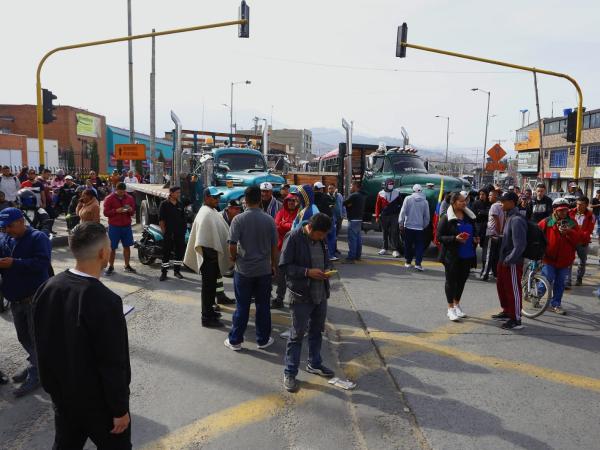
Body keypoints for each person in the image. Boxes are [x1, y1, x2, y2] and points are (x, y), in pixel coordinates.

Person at [33, 222, 131, 449]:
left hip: (63, 399)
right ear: (102, 252)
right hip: (100, 405)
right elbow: (113, 364)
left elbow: (42, 345)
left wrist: (55, 393)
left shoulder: (47, 288)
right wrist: (119, 410)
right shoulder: (106, 301)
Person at [280, 213, 335, 392]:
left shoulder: (321, 239)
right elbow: (285, 266)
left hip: (320, 294)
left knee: (316, 331)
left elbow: (325, 259)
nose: (323, 238)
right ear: (310, 228)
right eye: (321, 234)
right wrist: (306, 272)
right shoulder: (294, 237)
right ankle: (290, 372)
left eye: (325, 235)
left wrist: (327, 270)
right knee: (297, 335)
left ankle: (314, 363)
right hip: (301, 295)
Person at [0, 207, 51, 397]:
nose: (7, 230)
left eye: (10, 226)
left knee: (37, 338)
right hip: (15, 300)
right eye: (3, 227)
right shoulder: (5, 238)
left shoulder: (38, 238)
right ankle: (36, 364)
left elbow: (42, 264)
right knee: (24, 337)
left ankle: (37, 374)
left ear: (21, 221)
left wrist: (14, 263)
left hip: (34, 299)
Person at [224, 186, 278, 351]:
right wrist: (273, 265)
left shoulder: (238, 220)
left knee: (242, 306)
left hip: (244, 270)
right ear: (260, 199)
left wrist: (234, 258)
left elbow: (232, 244)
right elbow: (274, 247)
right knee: (263, 306)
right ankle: (262, 340)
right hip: (263, 270)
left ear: (245, 201)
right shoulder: (269, 220)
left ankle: (235, 341)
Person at [184, 187, 231, 327]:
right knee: (208, 289)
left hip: (212, 259)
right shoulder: (205, 214)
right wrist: (213, 258)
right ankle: (206, 317)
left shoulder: (212, 211)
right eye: (214, 197)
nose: (217, 199)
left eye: (218, 197)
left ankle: (210, 311)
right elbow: (204, 241)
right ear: (206, 198)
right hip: (208, 260)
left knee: (211, 289)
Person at [437, 192, 478, 322]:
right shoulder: (446, 217)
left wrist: (476, 238)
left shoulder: (469, 216)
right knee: (451, 281)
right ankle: (450, 308)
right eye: (461, 201)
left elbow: (474, 230)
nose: (464, 203)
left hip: (467, 254)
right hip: (452, 255)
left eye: (465, 200)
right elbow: (439, 237)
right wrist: (455, 238)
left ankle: (457, 304)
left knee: (461, 281)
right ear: (453, 202)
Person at [538, 198, 583, 315]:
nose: (564, 213)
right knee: (547, 279)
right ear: (554, 210)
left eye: (565, 210)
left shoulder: (572, 223)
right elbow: (537, 234)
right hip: (548, 259)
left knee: (560, 283)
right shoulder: (547, 222)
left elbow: (579, 239)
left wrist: (569, 232)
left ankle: (556, 304)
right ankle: (536, 295)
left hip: (565, 260)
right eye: (561, 210)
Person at [492, 192, 527, 330]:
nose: (501, 204)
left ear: (512, 202)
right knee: (502, 287)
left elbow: (520, 245)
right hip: (504, 259)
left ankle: (516, 318)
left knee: (513, 290)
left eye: (503, 201)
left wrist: (509, 259)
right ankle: (507, 311)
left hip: (512, 262)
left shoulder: (517, 219)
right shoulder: (509, 216)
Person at [103, 182, 136, 275]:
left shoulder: (129, 198)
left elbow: (133, 212)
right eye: (120, 192)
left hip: (126, 226)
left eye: (123, 192)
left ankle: (127, 265)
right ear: (116, 190)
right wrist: (116, 211)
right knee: (112, 247)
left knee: (127, 246)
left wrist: (130, 210)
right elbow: (105, 213)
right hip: (114, 226)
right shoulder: (109, 198)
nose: (122, 193)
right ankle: (111, 266)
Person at [272, 194, 299, 308]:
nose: (291, 203)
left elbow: (296, 229)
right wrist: (289, 225)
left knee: (295, 276)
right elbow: (276, 226)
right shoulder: (280, 212)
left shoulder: (300, 213)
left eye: (293, 201)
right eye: (289, 201)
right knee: (280, 276)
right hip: (280, 248)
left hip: (294, 250)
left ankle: (296, 300)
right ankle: (279, 298)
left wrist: (283, 224)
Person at [398, 184, 430, 271]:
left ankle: (408, 262)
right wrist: (423, 226)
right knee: (419, 246)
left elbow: (403, 212)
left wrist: (401, 223)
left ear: (413, 190)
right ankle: (418, 264)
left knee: (408, 244)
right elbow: (427, 217)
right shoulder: (425, 201)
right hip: (419, 228)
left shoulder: (408, 199)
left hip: (408, 226)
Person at [158, 187, 187, 281]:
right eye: (177, 192)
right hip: (168, 233)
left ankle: (177, 271)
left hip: (179, 232)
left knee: (179, 252)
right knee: (166, 252)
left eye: (179, 192)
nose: (179, 194)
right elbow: (161, 220)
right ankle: (164, 273)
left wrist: (183, 230)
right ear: (171, 193)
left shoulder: (180, 204)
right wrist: (164, 232)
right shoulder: (164, 204)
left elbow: (183, 218)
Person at [567, 196, 594, 287]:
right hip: (571, 241)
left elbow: (589, 230)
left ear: (586, 205)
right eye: (577, 204)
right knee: (569, 260)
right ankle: (568, 280)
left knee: (582, 261)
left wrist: (580, 237)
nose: (578, 206)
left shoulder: (591, 216)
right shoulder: (570, 213)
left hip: (583, 242)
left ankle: (579, 278)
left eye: (581, 205)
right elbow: (568, 225)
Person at [375, 178, 402, 257]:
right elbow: (377, 205)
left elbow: (401, 204)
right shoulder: (380, 193)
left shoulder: (397, 193)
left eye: (392, 184)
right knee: (385, 232)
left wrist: (399, 212)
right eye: (389, 184)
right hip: (384, 215)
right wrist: (377, 216)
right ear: (386, 184)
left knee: (394, 232)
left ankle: (395, 249)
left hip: (394, 215)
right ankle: (384, 248)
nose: (391, 186)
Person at [481, 189, 504, 281]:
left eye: (490, 195)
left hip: (492, 234)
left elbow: (497, 220)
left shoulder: (495, 206)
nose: (488, 197)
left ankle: (485, 273)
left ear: (495, 196)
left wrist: (498, 232)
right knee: (496, 256)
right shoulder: (502, 205)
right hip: (498, 234)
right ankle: (495, 273)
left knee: (489, 255)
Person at [343, 181, 366, 264]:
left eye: (352, 186)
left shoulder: (354, 195)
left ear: (356, 186)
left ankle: (351, 258)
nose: (350, 187)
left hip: (353, 219)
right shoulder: (362, 195)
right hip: (359, 219)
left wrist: (349, 205)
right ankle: (357, 256)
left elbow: (344, 203)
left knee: (352, 239)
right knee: (358, 239)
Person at [313, 181, 337, 261]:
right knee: (331, 237)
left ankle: (323, 255)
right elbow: (333, 201)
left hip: (317, 219)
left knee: (321, 238)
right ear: (320, 189)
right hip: (328, 218)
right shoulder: (325, 196)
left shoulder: (311, 197)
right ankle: (330, 255)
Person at [471, 189, 490, 269]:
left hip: (486, 227)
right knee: (473, 246)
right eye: (480, 194)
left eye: (483, 194)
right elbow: (474, 214)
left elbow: (489, 214)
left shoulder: (489, 203)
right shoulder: (476, 203)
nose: (481, 196)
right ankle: (472, 265)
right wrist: (483, 212)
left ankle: (484, 267)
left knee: (485, 247)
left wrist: (481, 212)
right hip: (477, 226)